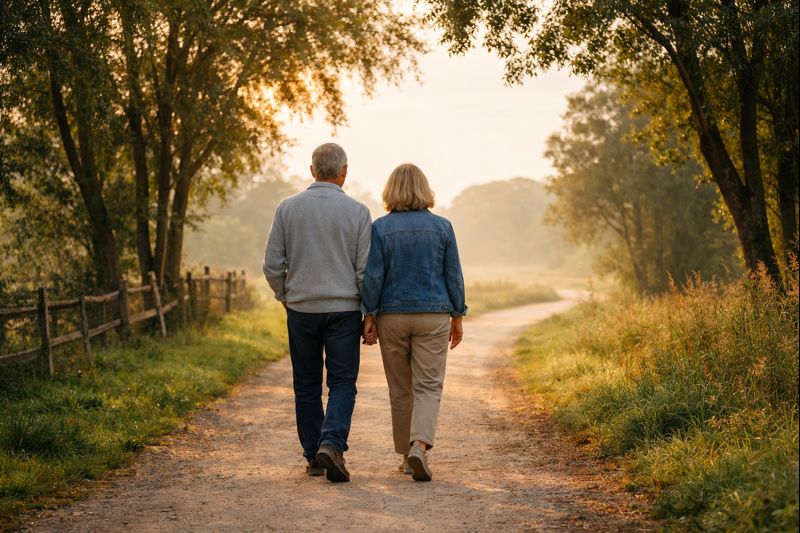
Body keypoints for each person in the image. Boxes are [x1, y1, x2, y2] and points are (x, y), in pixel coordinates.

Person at [262, 143, 372, 483]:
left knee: (306, 385)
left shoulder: (287, 208)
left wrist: (285, 295)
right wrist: (369, 313)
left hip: (301, 309)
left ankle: (313, 455)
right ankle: (332, 443)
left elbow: (271, 265)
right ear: (345, 171)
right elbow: (365, 271)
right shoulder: (357, 212)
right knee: (342, 382)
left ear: (312, 170)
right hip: (343, 310)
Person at [361, 163, 467, 482]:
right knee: (428, 386)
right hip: (433, 315)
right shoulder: (443, 227)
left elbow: (374, 276)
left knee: (400, 388)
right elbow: (453, 276)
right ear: (425, 189)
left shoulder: (380, 228)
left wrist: (369, 314)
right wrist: (458, 315)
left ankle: (407, 457)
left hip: (392, 315)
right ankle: (420, 444)